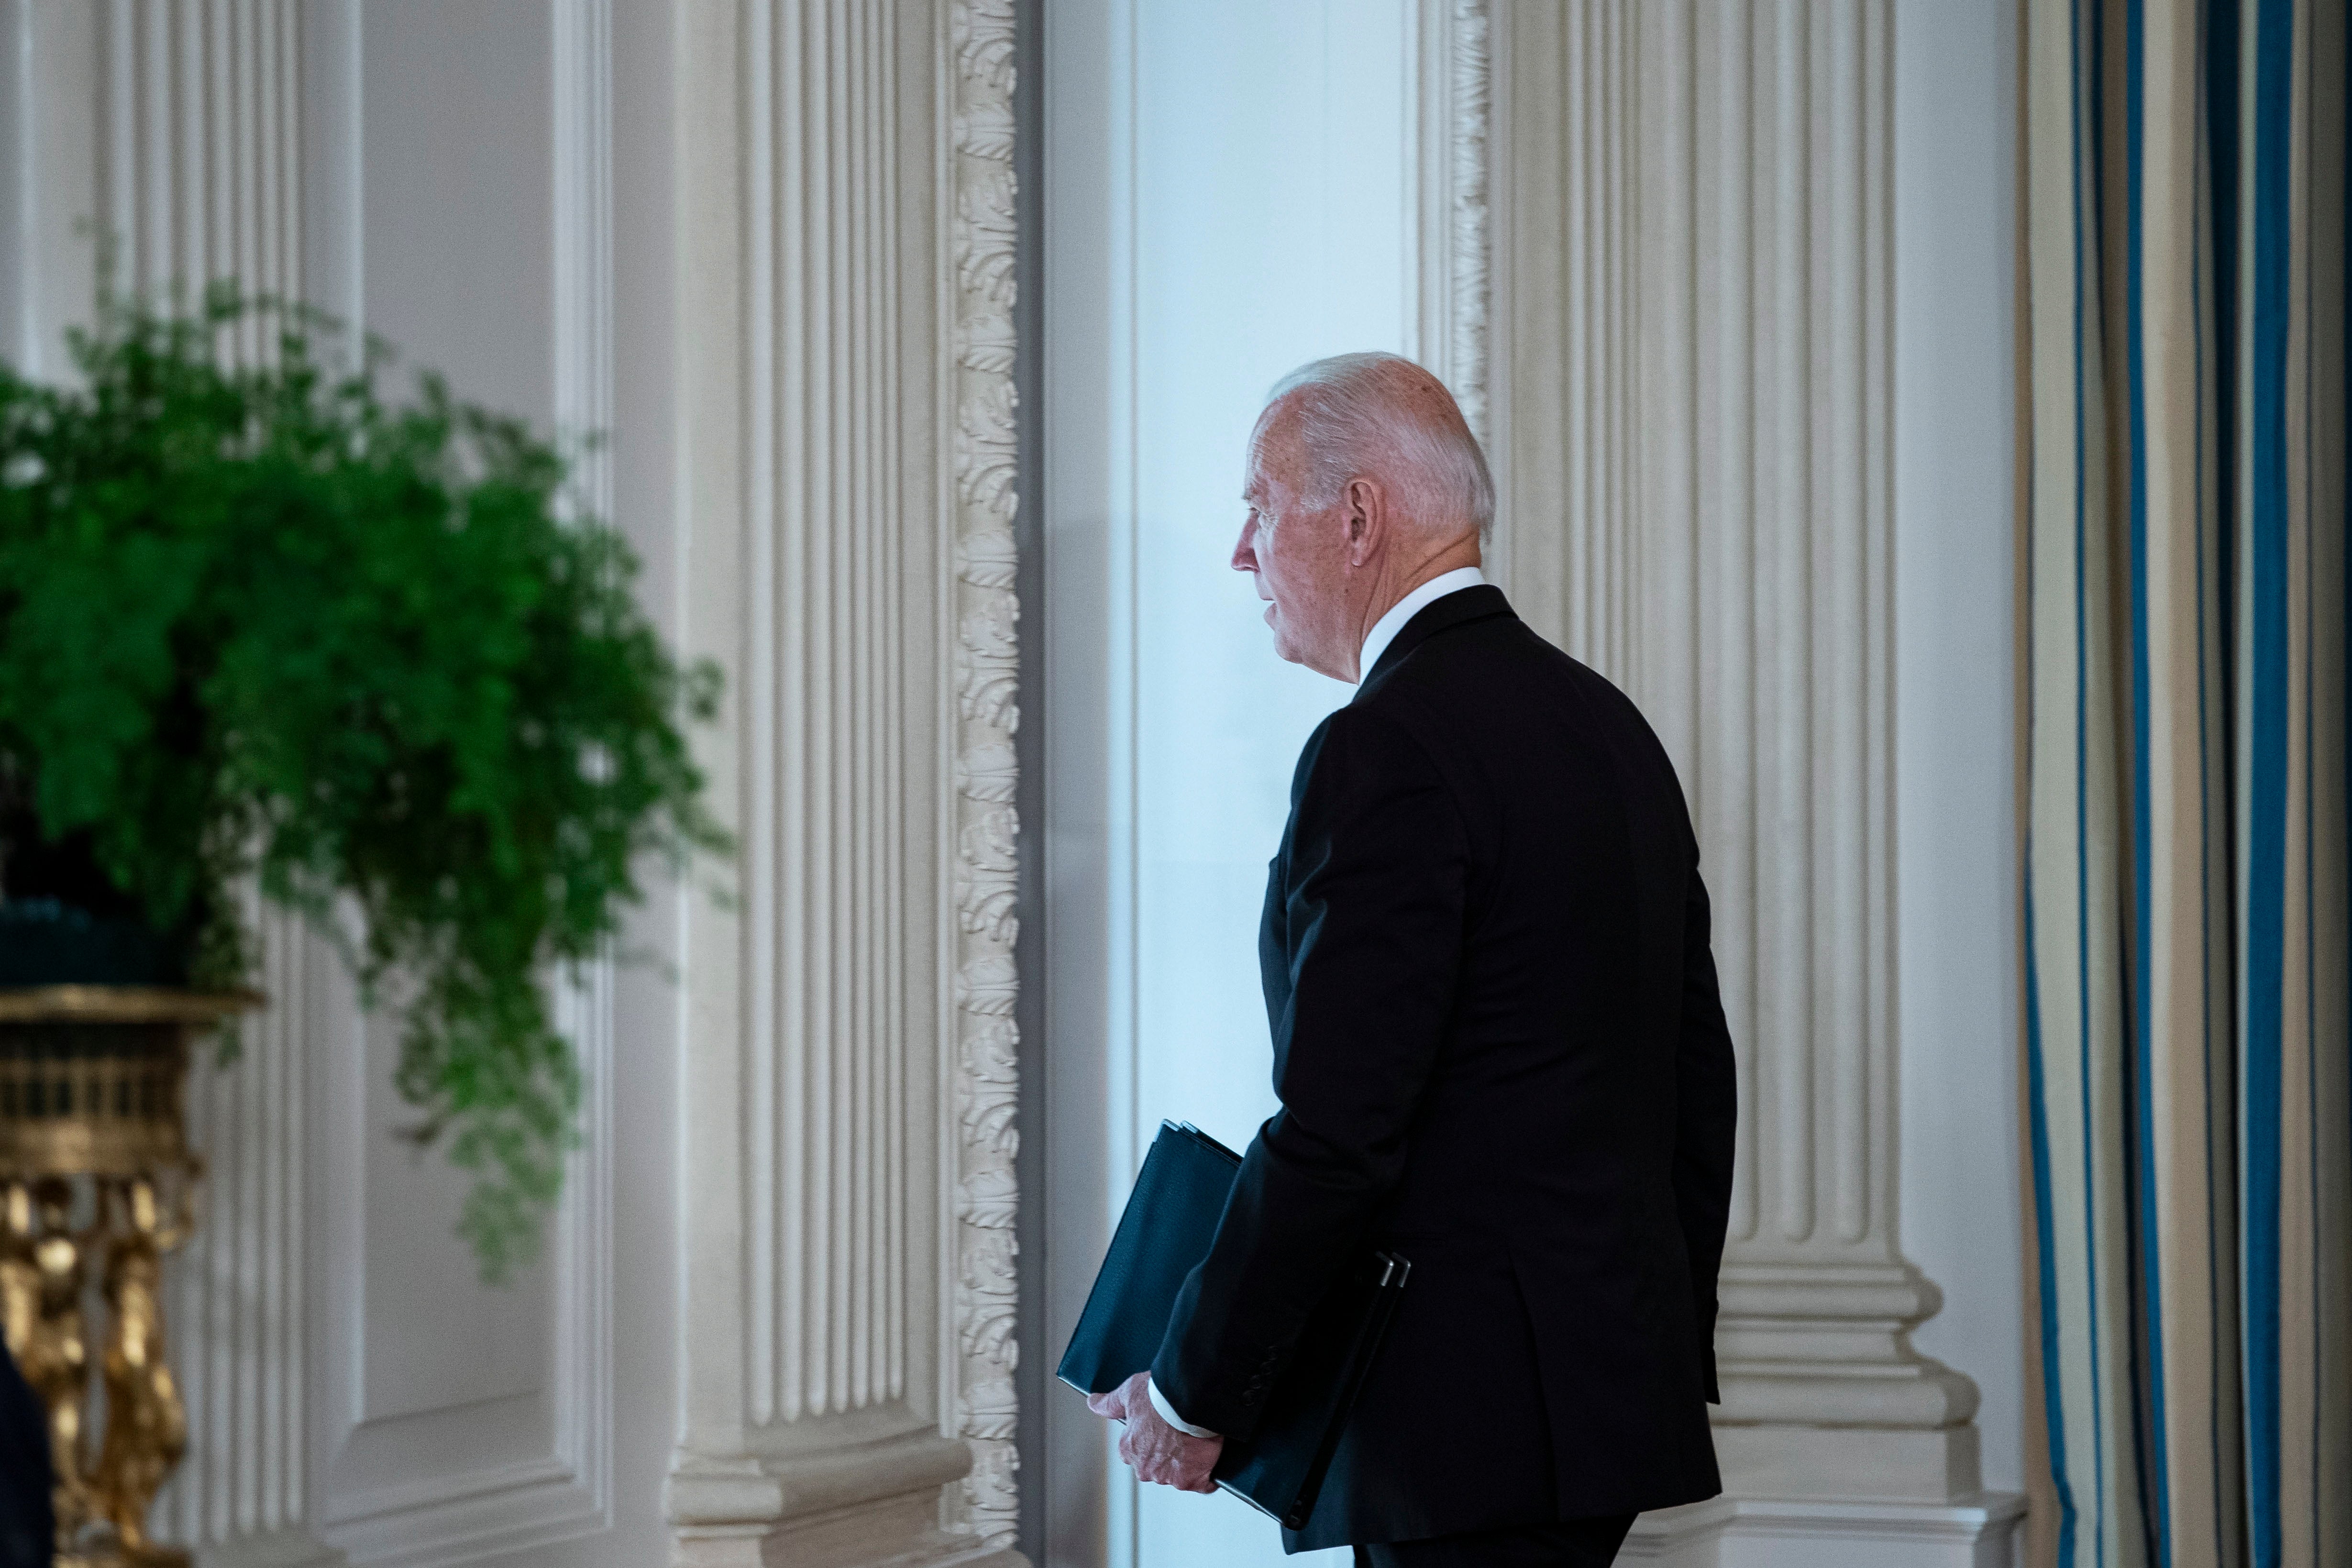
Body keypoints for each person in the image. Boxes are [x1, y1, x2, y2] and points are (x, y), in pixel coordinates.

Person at [1087, 353, 1737, 1567]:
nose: (1242, 551)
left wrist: (1191, 1388)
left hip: (1458, 1429)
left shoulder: (1381, 747)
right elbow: (1693, 1082)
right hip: (1594, 1405)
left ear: (1357, 515)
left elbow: (1340, 1126)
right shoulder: (1608, 727)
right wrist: (1643, 1343)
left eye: (1258, 504)